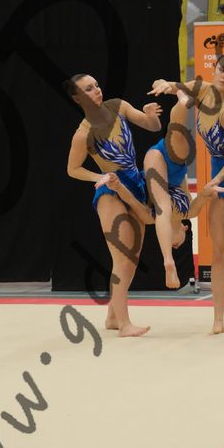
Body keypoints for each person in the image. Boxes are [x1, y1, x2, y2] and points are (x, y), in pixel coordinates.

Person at [151, 49, 224, 334]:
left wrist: (216, 180)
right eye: (222, 69)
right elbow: (175, 86)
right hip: (219, 171)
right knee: (218, 251)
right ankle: (218, 319)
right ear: (214, 68)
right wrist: (163, 84)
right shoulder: (202, 89)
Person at [65, 74, 162, 336]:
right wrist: (100, 178)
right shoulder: (83, 134)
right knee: (122, 258)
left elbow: (152, 126)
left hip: (135, 185)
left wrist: (150, 114)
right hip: (111, 190)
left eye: (96, 85)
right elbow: (73, 169)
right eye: (88, 89)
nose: (96, 90)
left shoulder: (118, 106)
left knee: (133, 259)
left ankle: (112, 316)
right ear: (77, 98)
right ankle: (124, 324)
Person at [142, 98, 224, 289]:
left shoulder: (151, 218)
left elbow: (134, 200)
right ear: (185, 229)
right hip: (174, 169)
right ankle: (183, 101)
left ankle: (168, 260)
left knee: (163, 206)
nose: (177, 244)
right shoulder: (189, 212)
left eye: (174, 247)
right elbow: (195, 190)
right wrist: (210, 191)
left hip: (155, 163)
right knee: (178, 135)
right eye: (178, 246)